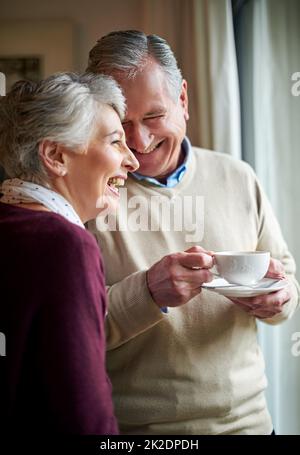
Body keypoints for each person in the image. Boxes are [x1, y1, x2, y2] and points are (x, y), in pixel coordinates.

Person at [86, 30, 300, 435]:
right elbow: (71, 329)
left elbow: (287, 277)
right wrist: (146, 292)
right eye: (121, 123)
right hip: (140, 434)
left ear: (182, 100)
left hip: (252, 424)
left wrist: (282, 297)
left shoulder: (238, 176)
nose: (139, 142)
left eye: (153, 117)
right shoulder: (86, 197)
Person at [0, 72, 138, 434]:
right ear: (55, 155)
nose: (132, 161)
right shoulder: (65, 246)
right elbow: (82, 415)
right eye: (115, 142)